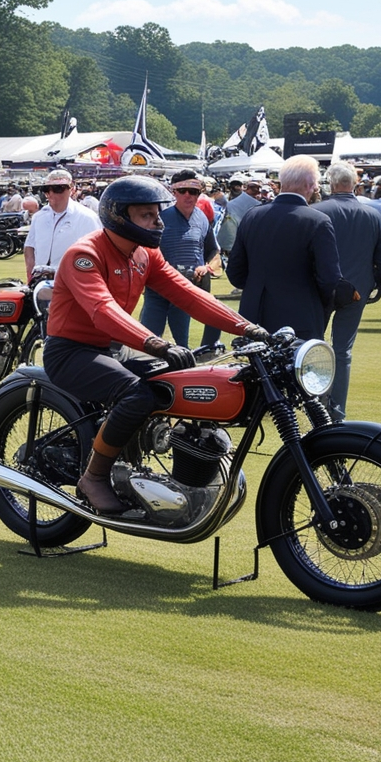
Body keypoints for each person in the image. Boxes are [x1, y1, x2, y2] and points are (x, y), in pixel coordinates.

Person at [43, 176, 268, 515]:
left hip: (114, 347)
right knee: (137, 393)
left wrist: (249, 328)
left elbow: (189, 294)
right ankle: (94, 476)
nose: (158, 221)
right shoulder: (84, 255)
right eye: (146, 215)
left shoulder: (144, 255)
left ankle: (166, 454)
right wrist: (156, 344)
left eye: (156, 214)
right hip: (71, 350)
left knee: (184, 376)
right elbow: (102, 310)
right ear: (119, 216)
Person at [227, 155, 355, 340]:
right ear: (310, 184)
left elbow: (235, 273)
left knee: (254, 369)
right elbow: (329, 279)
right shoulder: (318, 222)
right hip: (299, 319)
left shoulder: (252, 216)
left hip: (253, 316)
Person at [311, 163, 381, 420]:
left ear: (332, 184)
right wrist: (373, 280)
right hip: (357, 289)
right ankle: (336, 412)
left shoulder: (315, 211)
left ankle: (313, 404)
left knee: (312, 346)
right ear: (355, 185)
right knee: (343, 351)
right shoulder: (373, 215)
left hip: (319, 289)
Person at [139, 170, 218, 347]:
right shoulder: (159, 219)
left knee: (183, 342)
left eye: (194, 191)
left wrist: (206, 267)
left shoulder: (202, 218)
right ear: (174, 192)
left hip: (186, 289)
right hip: (158, 289)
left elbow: (213, 249)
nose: (188, 196)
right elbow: (143, 251)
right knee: (148, 340)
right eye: (183, 191)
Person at [23, 169, 97, 277]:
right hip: (40, 280)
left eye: (58, 189)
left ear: (71, 189)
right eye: (47, 189)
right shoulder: (39, 217)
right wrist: (30, 275)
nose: (51, 193)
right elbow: (29, 246)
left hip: (72, 281)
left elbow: (96, 254)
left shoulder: (87, 217)